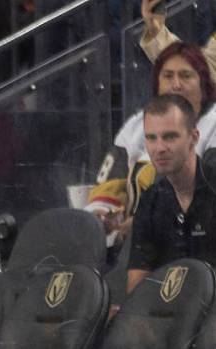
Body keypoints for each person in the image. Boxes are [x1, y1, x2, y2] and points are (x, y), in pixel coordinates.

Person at [87, 40, 216, 245]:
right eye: (167, 76)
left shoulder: (213, 123)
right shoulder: (137, 125)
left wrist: (145, 222)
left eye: (185, 75)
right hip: (132, 247)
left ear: (204, 84)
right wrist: (101, 214)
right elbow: (111, 185)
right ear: (157, 83)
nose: (176, 84)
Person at [126, 94, 216, 294]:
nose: (159, 148)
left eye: (170, 137)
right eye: (151, 138)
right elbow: (137, 293)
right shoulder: (150, 201)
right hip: (169, 316)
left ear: (194, 138)